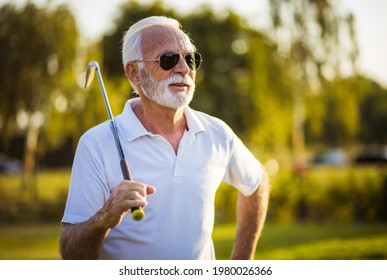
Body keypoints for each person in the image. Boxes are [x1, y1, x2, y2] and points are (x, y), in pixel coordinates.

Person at [60, 16, 270, 260]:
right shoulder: (95, 144)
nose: (184, 68)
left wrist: (241, 263)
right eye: (168, 59)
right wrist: (102, 219)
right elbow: (71, 255)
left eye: (190, 59)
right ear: (135, 73)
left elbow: (257, 182)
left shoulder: (217, 133)